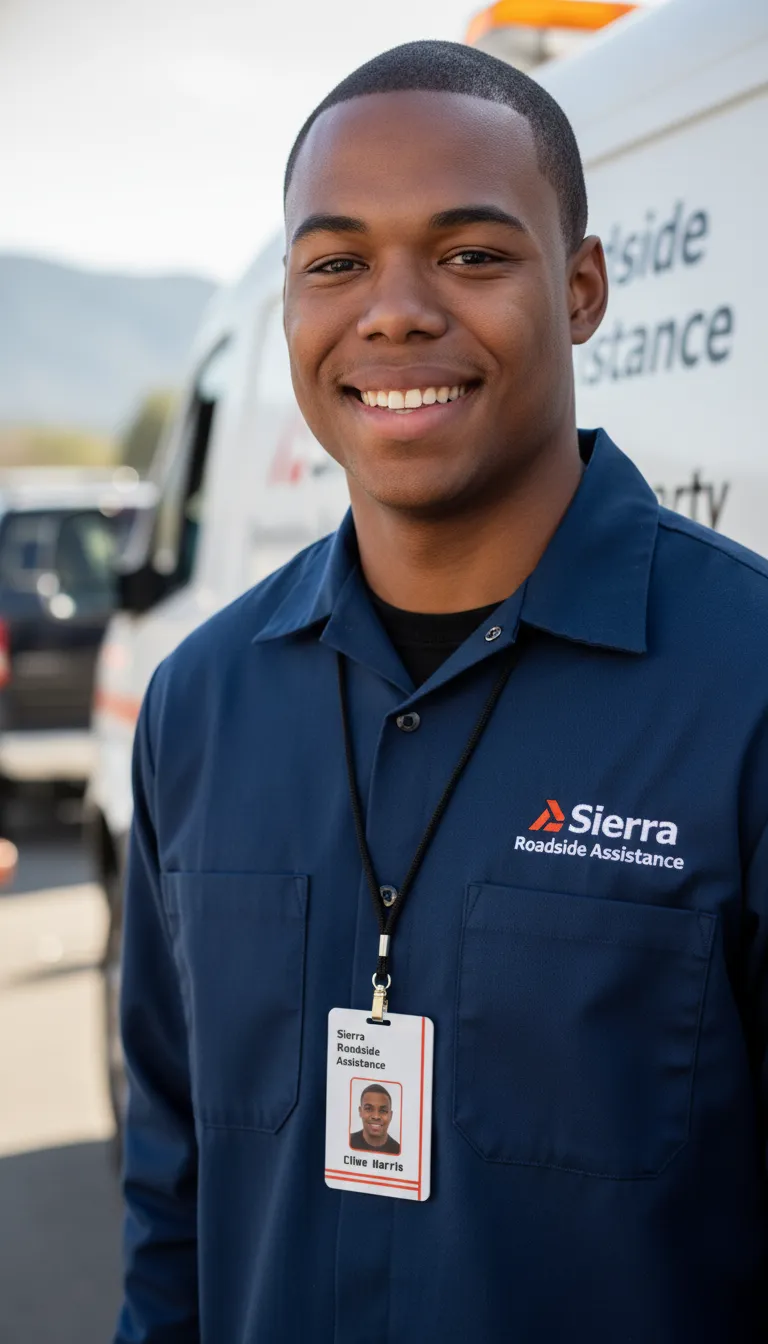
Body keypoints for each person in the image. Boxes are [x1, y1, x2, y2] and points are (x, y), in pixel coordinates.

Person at [115, 40, 768, 1344]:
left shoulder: (747, 687)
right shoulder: (196, 707)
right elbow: (170, 1209)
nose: (394, 310)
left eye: (471, 255)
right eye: (336, 262)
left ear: (580, 288)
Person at [350, 1083, 401, 1154]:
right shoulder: (346, 1142)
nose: (376, 1116)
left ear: (390, 1115)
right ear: (360, 1111)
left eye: (383, 1111)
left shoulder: (398, 1150)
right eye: (369, 1109)